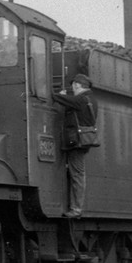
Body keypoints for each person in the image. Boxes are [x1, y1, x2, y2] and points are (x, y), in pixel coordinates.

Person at [54, 73, 97, 218]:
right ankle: (75, 206)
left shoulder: (81, 99)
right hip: (82, 140)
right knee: (76, 173)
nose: (73, 88)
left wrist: (59, 95)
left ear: (77, 85)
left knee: (78, 174)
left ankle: (76, 209)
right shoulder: (91, 98)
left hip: (77, 142)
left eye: (73, 86)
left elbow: (63, 99)